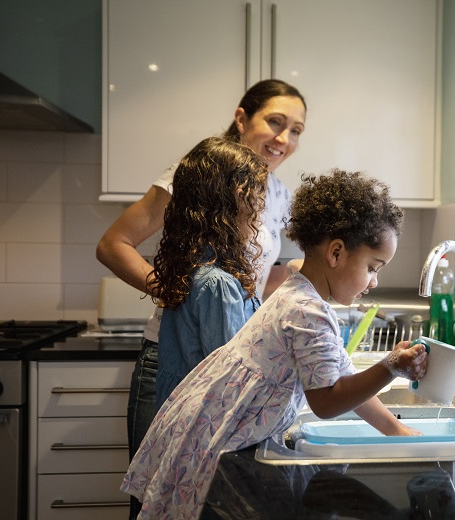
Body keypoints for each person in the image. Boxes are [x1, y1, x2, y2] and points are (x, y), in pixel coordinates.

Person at [121, 170, 429, 519]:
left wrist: (396, 429)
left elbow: (341, 374)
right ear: (337, 252)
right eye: (373, 267)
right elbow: (328, 400)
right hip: (225, 447)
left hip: (215, 434)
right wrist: (391, 367)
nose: (374, 282)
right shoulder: (308, 310)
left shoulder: (300, 291)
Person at [95, 79, 306, 519]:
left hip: (225, 359)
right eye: (275, 121)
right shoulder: (196, 174)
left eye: (297, 130)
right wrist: (178, 289)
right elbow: (113, 244)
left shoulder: (278, 193)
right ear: (242, 117)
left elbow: (252, 284)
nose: (284, 139)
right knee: (158, 501)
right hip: (176, 359)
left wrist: (297, 284)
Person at [148, 137, 269, 408]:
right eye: (256, 200)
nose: (260, 213)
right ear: (229, 207)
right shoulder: (218, 285)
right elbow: (231, 381)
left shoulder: (190, 268)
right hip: (203, 424)